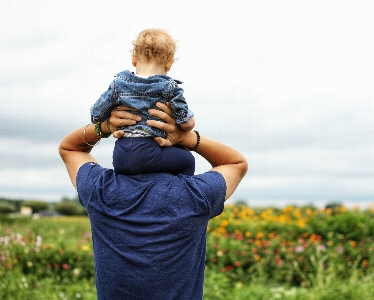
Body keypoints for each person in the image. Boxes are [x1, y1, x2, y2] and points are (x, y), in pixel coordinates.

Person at [58, 102, 248, 299]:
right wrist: (188, 137)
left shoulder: (101, 190)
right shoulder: (196, 195)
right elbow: (236, 163)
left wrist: (104, 127)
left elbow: (70, 149)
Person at [90, 28, 196, 176]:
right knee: (187, 160)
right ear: (169, 64)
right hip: (150, 152)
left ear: (133, 59)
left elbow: (96, 114)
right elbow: (185, 123)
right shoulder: (170, 87)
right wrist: (189, 122)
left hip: (120, 155)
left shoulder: (118, 84)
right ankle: (180, 194)